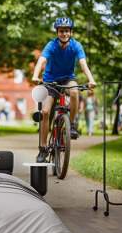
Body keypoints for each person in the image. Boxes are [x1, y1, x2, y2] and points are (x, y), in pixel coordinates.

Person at [32, 17, 96, 162]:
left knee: (74, 92)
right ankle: (43, 149)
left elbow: (83, 64)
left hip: (67, 79)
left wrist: (91, 79)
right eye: (61, 31)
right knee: (45, 112)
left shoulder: (76, 46)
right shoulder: (51, 45)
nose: (64, 34)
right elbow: (41, 61)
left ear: (71, 32)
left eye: (67, 31)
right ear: (57, 32)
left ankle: (72, 125)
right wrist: (35, 76)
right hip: (50, 81)